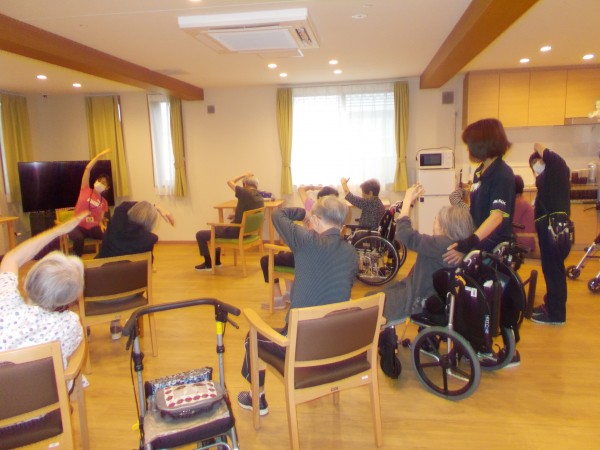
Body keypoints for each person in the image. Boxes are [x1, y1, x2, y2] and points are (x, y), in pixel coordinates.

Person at [238, 196, 357, 415]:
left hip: (300, 349)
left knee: (252, 336)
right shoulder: (351, 254)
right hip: (335, 348)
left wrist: (304, 213)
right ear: (342, 224)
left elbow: (277, 214)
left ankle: (257, 398)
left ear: (317, 220)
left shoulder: (306, 240)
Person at [373, 183, 474, 324]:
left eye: (435, 222)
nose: (433, 225)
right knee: (379, 295)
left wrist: (407, 200)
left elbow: (404, 234)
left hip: (419, 298)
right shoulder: (459, 246)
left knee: (373, 303)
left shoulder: (439, 244)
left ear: (445, 227)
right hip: (435, 296)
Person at [0, 213, 86, 370]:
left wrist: (57, 231)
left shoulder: (5, 303)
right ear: (70, 298)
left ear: (26, 282)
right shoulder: (70, 324)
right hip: (49, 387)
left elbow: (11, 258)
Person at [444, 118, 515, 265]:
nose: (468, 149)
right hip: (479, 237)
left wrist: (469, 243)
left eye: (469, 145)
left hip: (492, 242)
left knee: (448, 260)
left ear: (482, 145)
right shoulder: (480, 172)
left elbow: (496, 216)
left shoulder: (502, 174)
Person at [258, 185, 340, 309]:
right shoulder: (337, 218)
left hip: (306, 259)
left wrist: (313, 187)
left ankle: (277, 299)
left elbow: (300, 190)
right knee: (282, 254)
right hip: (322, 259)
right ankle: (288, 293)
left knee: (265, 261)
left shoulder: (312, 210)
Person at [529, 143, 571, 325]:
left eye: (536, 163)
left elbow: (544, 150)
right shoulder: (548, 180)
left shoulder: (557, 168)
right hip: (551, 229)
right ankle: (552, 307)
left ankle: (556, 314)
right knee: (553, 270)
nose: (535, 168)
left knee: (554, 271)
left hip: (554, 229)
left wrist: (537, 148)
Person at [195, 172, 264, 271]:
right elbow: (250, 214)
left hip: (236, 232)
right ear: (256, 185)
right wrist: (236, 215)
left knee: (200, 234)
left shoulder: (245, 193)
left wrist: (243, 175)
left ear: (244, 184)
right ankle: (217, 262)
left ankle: (208, 264)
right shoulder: (260, 197)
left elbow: (229, 182)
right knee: (218, 229)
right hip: (248, 233)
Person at [69, 148, 111, 256]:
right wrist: (99, 156)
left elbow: (100, 219)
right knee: (78, 238)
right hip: (77, 226)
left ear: (107, 188)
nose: (100, 183)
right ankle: (75, 261)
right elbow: (87, 169)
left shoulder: (104, 202)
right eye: (99, 181)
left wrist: (101, 224)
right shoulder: (85, 189)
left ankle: (102, 258)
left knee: (108, 236)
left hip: (92, 227)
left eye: (103, 183)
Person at [97, 200, 175, 259]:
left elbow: (124, 205)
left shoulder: (117, 223)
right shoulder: (149, 239)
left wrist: (156, 206)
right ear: (151, 223)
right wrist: (153, 208)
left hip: (99, 270)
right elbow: (148, 262)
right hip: (128, 275)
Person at [512, 175, 536, 253]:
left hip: (523, 242)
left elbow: (511, 225)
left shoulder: (518, 203)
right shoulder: (522, 201)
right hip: (528, 240)